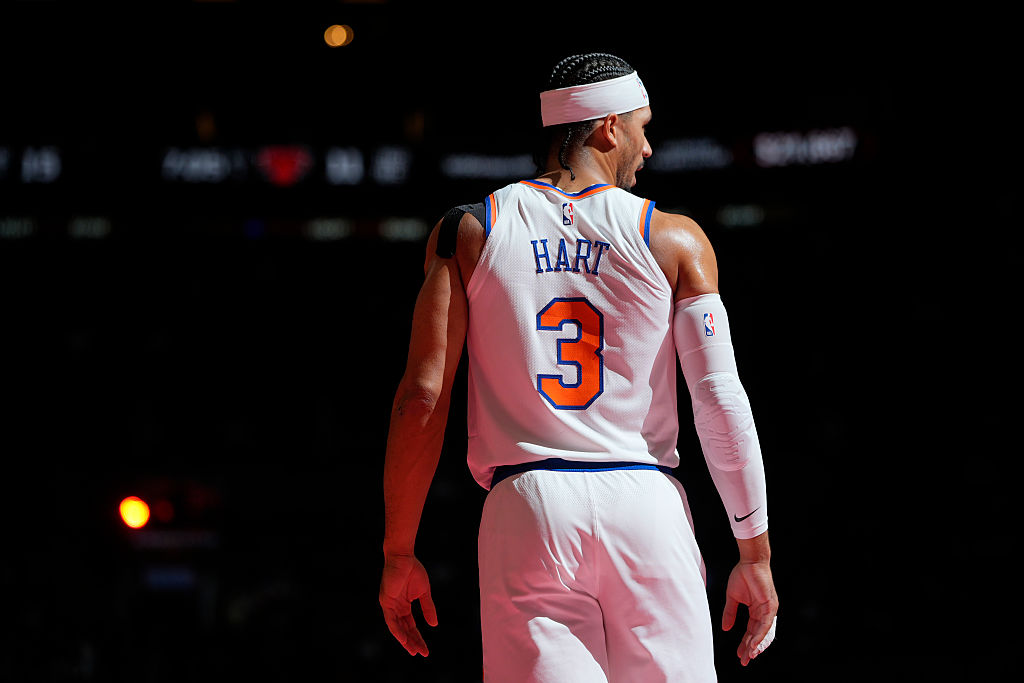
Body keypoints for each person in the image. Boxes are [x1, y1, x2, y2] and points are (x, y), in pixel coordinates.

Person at [379, 52, 778, 682]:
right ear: (608, 126)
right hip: (646, 503)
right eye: (643, 128)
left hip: (526, 506)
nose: (648, 149)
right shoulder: (674, 238)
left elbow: (421, 398)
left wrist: (399, 550)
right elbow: (719, 399)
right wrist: (753, 551)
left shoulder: (469, 230)